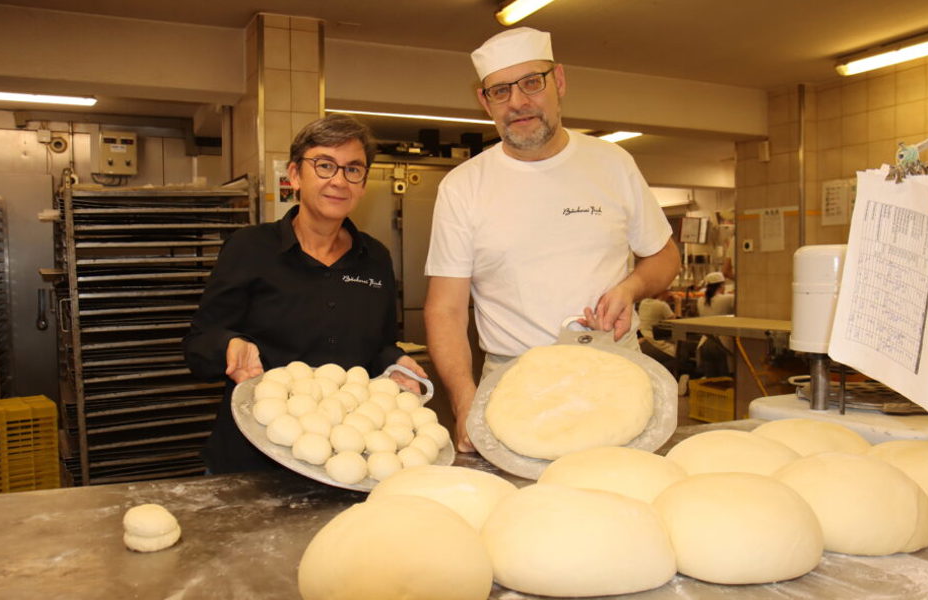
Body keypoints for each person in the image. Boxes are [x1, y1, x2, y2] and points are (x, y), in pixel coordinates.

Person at [424, 27, 680, 452]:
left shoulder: (612, 163)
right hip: (514, 384)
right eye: (500, 91)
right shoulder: (463, 186)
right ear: (484, 102)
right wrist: (465, 399)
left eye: (531, 82)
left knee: (621, 496)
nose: (518, 102)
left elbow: (664, 256)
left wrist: (631, 287)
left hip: (614, 370)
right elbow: (445, 308)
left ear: (558, 81)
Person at [184, 114, 426, 474]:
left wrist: (394, 363)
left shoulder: (375, 258)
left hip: (344, 461)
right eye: (325, 165)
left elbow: (378, 345)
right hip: (254, 457)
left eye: (353, 170)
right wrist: (230, 345)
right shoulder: (250, 248)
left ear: (362, 184)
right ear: (295, 175)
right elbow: (199, 343)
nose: (339, 181)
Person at [696, 271, 735, 377]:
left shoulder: (700, 300)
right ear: (722, 285)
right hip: (721, 344)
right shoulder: (727, 299)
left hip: (704, 342)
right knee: (724, 379)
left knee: (711, 379)